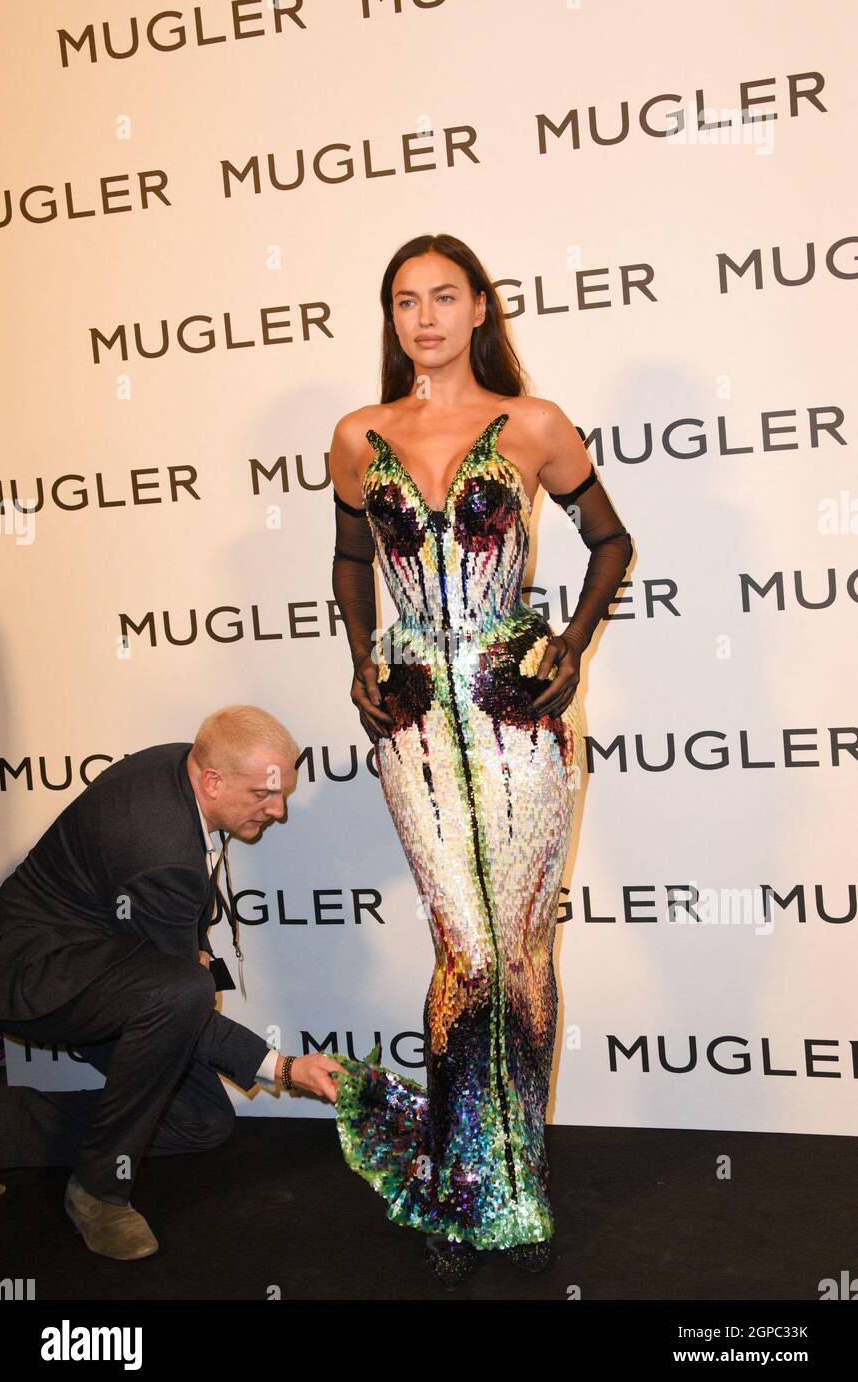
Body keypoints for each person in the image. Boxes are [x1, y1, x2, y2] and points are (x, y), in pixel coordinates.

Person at [326, 233, 633, 1288]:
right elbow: (352, 556)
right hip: (415, 720)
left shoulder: (537, 425)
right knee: (464, 951)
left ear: (478, 310)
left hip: (517, 714)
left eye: (444, 297)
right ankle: (463, 1184)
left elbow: (613, 541)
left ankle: (517, 1177)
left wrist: (572, 645)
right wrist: (363, 660)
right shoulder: (358, 435)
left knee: (521, 952)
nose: (425, 318)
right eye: (405, 300)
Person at [0, 705, 345, 1256]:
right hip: (33, 973)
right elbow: (181, 1003)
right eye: (263, 795)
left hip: (103, 960)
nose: (278, 812)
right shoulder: (162, 852)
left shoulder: (182, 767)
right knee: (185, 991)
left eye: (282, 793)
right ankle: (98, 1195)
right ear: (213, 780)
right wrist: (286, 1068)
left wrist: (189, 950)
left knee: (202, 1121)